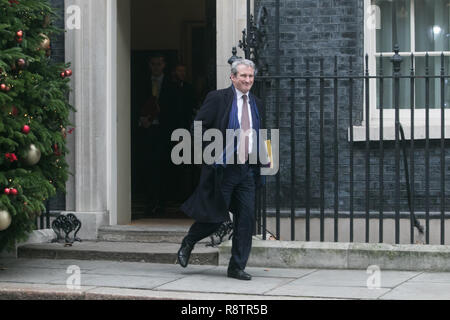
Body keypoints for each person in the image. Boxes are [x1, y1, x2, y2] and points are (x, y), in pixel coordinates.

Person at [176, 59, 265, 281]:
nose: (247, 80)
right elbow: (198, 127)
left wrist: (264, 161)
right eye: (243, 76)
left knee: (245, 219)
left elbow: (259, 134)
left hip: (247, 169)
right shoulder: (218, 98)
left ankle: (236, 267)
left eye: (250, 76)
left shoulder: (256, 102)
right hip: (224, 169)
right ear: (233, 77)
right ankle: (189, 241)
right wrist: (210, 153)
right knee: (215, 217)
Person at [139, 53, 173, 216]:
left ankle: (162, 202)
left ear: (164, 65)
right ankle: (149, 200)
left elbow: (176, 107)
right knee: (147, 166)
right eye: (153, 64)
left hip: (164, 131)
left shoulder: (172, 84)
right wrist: (141, 120)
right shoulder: (139, 82)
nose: (156, 67)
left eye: (159, 64)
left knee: (163, 167)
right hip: (146, 131)